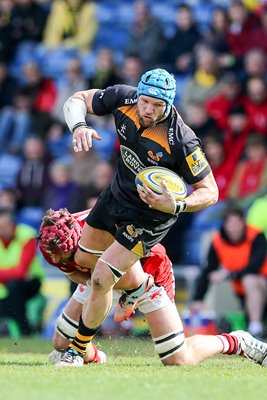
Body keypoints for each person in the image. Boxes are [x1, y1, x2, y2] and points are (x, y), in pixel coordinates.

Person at [58, 67, 221, 367]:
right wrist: (79, 126)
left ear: (169, 104)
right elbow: (77, 99)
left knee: (101, 277)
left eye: (158, 105)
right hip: (116, 195)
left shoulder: (182, 140)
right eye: (146, 101)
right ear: (139, 94)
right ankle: (136, 285)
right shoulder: (124, 98)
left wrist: (178, 204)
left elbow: (210, 191)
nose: (149, 109)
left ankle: (78, 350)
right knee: (82, 261)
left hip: (151, 216)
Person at [38, 207, 267, 368]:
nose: (62, 259)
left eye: (68, 253)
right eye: (57, 255)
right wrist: (92, 282)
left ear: (80, 240)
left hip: (147, 273)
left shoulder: (101, 232)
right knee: (60, 342)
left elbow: (134, 280)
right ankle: (91, 357)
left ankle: (237, 341)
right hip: (99, 274)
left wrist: (121, 296)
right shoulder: (52, 245)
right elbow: (79, 274)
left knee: (177, 357)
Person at [191, 204, 267, 338]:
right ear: (225, 225)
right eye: (230, 223)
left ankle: (255, 327)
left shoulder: (256, 236)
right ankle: (254, 326)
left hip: (261, 286)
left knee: (249, 279)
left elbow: (254, 268)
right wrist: (198, 298)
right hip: (242, 292)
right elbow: (208, 270)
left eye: (237, 223)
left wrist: (228, 275)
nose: (234, 228)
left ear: (243, 223)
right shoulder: (218, 241)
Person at [0, 209, 45, 335]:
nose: (1, 230)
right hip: (5, 285)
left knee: (14, 288)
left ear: (13, 225)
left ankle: (25, 331)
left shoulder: (26, 236)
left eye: (4, 226)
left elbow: (21, 271)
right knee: (7, 300)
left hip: (30, 283)